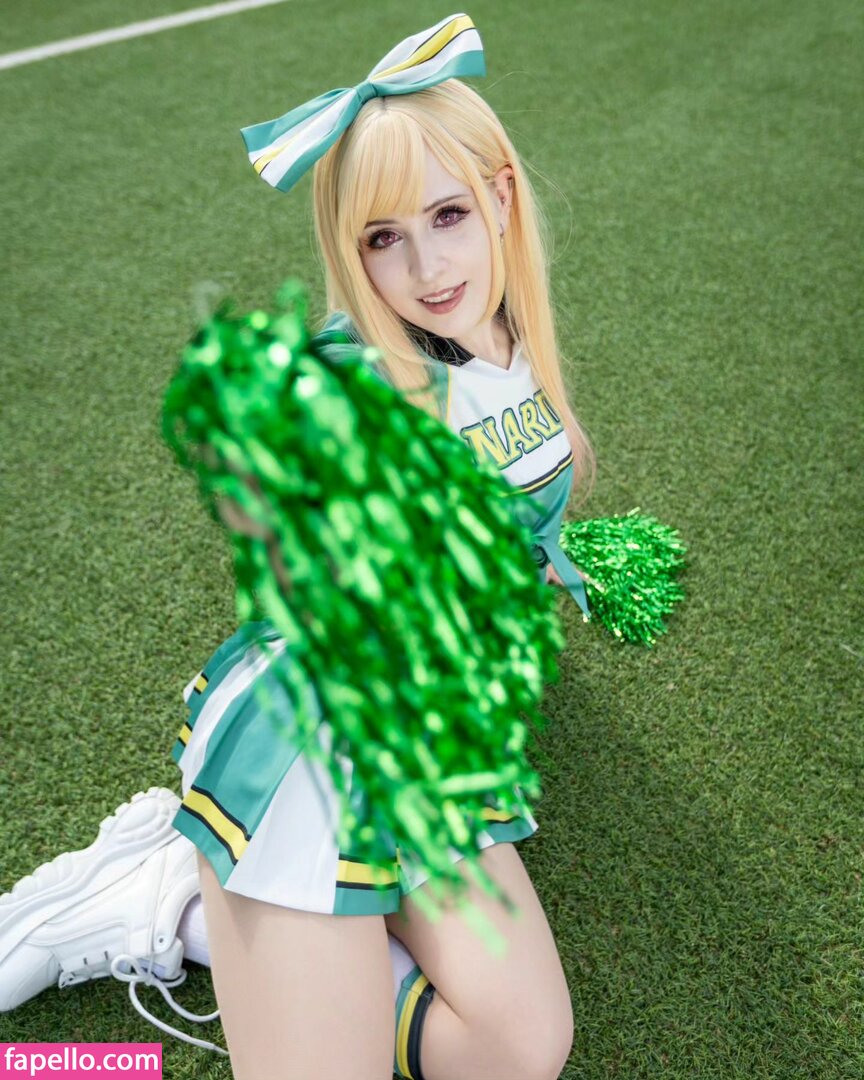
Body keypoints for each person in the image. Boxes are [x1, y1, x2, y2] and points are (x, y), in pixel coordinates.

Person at [0, 14, 595, 1080]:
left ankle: (182, 908)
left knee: (520, 1050)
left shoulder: (506, 344)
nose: (426, 265)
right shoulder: (365, 377)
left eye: (449, 214)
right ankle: (187, 896)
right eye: (381, 238)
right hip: (316, 746)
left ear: (503, 198)